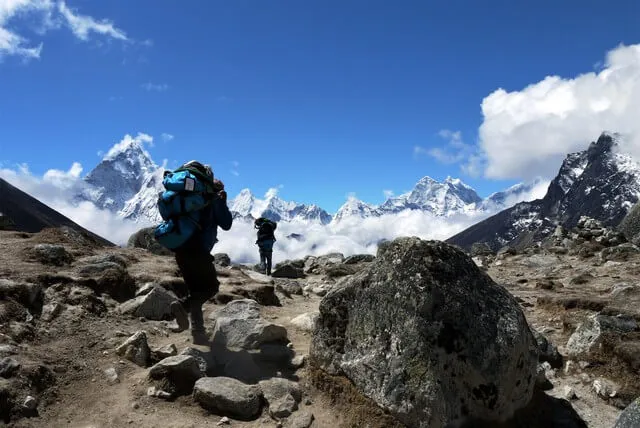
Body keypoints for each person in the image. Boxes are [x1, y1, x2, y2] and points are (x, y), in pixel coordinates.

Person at [169, 160, 233, 345]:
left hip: (180, 249)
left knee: (195, 290)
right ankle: (182, 305)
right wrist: (222, 202)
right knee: (211, 288)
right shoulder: (212, 198)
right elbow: (226, 224)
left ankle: (198, 334)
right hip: (198, 251)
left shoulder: (184, 196)